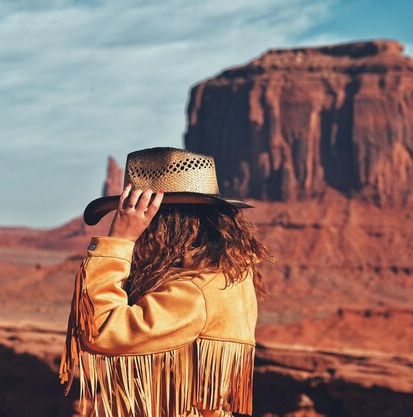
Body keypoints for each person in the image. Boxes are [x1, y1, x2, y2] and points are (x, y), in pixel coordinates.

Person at [59, 147, 274, 417]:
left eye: (142, 219)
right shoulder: (225, 274)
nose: (142, 235)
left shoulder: (195, 291)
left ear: (163, 223)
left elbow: (98, 328)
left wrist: (119, 241)